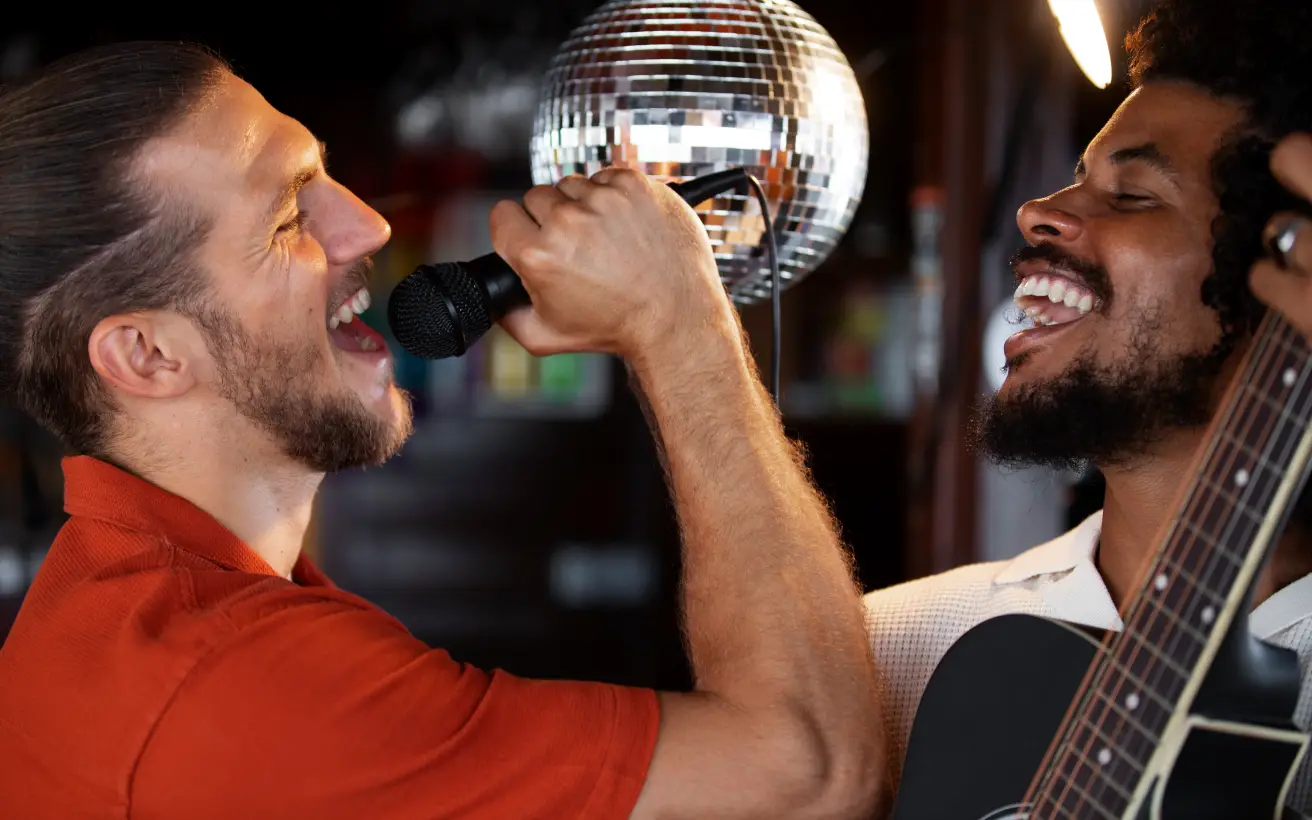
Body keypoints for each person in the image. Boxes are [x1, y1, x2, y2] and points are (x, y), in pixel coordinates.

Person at [0, 42, 886, 819]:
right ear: (149, 355)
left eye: (323, 176)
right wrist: (679, 322)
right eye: (288, 218)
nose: (369, 226)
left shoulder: (143, 610)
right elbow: (813, 774)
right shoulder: (240, 684)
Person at [863, 0, 1312, 812]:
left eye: (1133, 195)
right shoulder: (888, 650)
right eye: (1078, 176)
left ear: (1279, 289)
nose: (1037, 212)